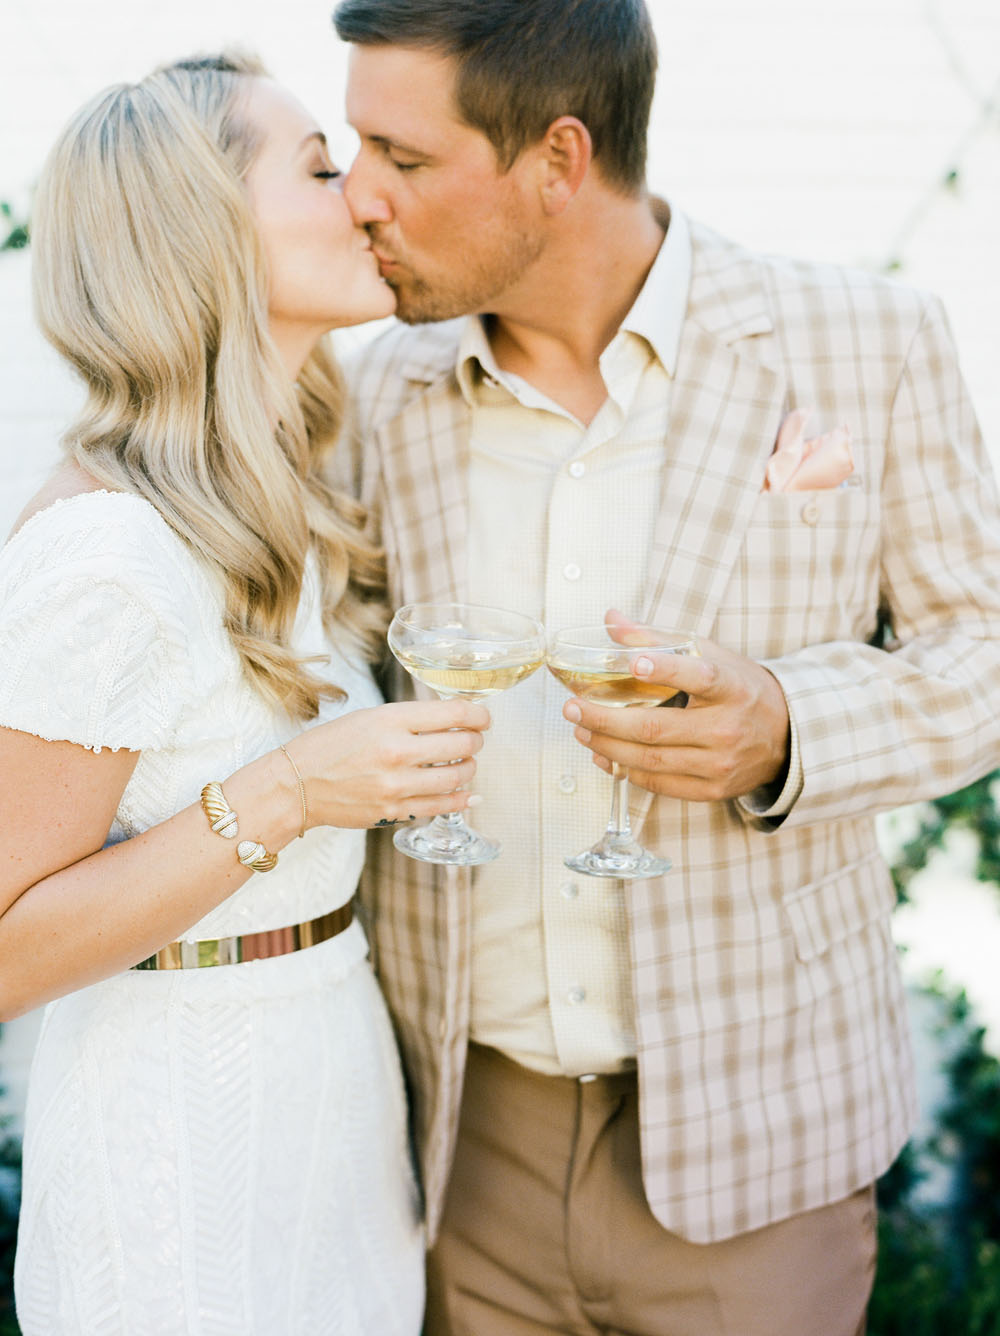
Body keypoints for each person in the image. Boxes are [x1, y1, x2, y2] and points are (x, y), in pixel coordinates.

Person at [329, 2, 1000, 1333]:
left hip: (760, 1157)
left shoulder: (869, 343)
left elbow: (980, 651)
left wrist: (789, 727)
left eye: (401, 159)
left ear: (558, 162)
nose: (358, 198)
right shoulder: (373, 394)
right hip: (461, 1148)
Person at [1, 52, 491, 1336]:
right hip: (175, 1138)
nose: (370, 198)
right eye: (324, 168)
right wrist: (286, 792)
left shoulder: (289, 490)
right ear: (201, 225)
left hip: (332, 1086)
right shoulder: (109, 552)